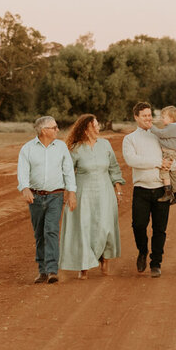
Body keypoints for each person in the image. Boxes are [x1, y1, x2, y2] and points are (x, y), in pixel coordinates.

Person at [121, 100, 176, 278]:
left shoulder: (161, 135)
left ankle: (156, 262)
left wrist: (171, 165)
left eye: (150, 115)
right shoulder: (129, 139)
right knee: (138, 225)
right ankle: (142, 250)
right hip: (141, 189)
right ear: (136, 117)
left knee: (159, 229)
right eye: (144, 116)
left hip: (161, 189)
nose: (148, 119)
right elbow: (132, 161)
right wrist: (158, 163)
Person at [60, 114, 124, 279]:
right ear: (86, 129)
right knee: (85, 228)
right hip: (84, 193)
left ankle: (105, 260)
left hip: (105, 192)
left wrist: (117, 189)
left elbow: (114, 168)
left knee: (105, 227)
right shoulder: (75, 149)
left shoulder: (105, 144)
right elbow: (68, 173)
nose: (98, 128)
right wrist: (71, 194)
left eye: (98, 125)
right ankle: (84, 266)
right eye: (95, 126)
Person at [16, 115, 76, 284]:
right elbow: (22, 171)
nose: (57, 130)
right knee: (39, 233)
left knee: (51, 230)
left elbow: (68, 171)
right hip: (35, 197)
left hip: (55, 195)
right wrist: (25, 188)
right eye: (54, 127)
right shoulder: (27, 148)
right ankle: (42, 271)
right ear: (44, 131)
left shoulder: (61, 147)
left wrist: (71, 192)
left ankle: (52, 270)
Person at [153, 106, 176, 202]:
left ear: (171, 118)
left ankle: (168, 193)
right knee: (172, 173)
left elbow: (161, 134)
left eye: (163, 117)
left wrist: (151, 127)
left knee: (164, 171)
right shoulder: (174, 127)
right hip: (172, 153)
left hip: (169, 154)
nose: (161, 119)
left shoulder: (172, 127)